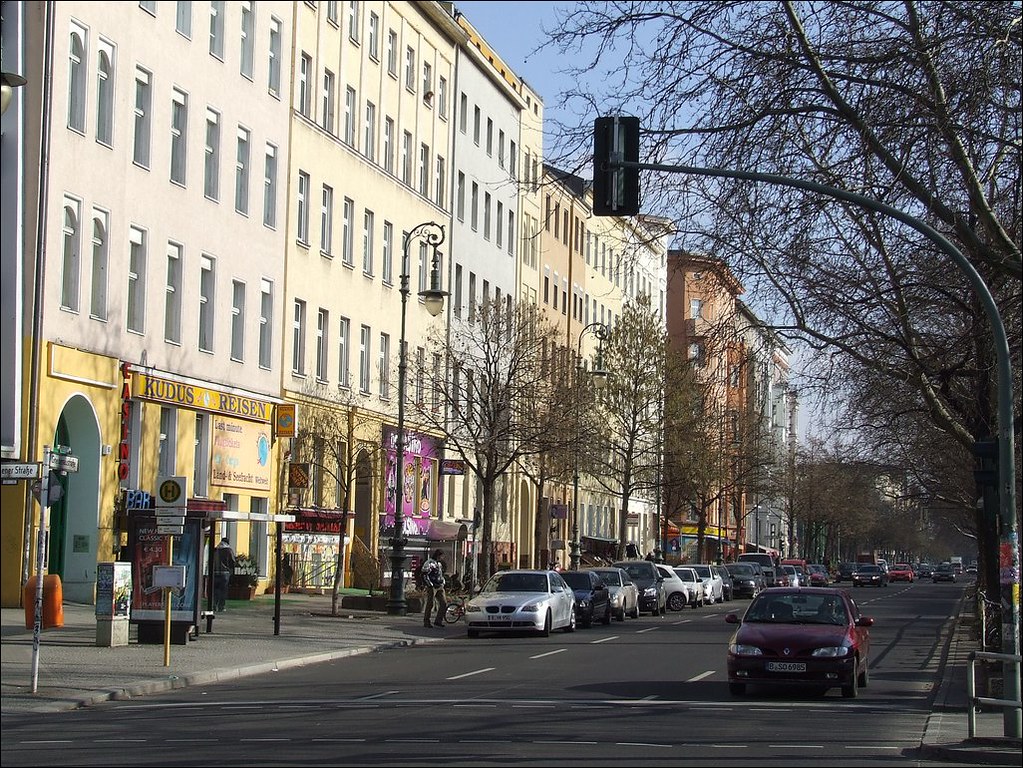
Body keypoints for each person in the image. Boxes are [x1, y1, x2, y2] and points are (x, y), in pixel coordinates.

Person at [421, 549, 447, 628]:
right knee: (430, 604)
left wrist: (443, 582)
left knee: (444, 603)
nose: (442, 558)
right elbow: (424, 574)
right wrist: (430, 584)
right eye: (441, 556)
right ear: (438, 555)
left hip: (439, 585)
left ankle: (438, 620)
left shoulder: (439, 564)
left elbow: (440, 574)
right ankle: (426, 621)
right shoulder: (430, 563)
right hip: (432, 586)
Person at [213, 537, 236, 612]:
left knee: (215, 590)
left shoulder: (215, 550)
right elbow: (232, 562)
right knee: (223, 590)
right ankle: (221, 606)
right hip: (225, 573)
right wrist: (232, 572)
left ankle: (214, 605)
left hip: (215, 572)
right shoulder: (228, 550)